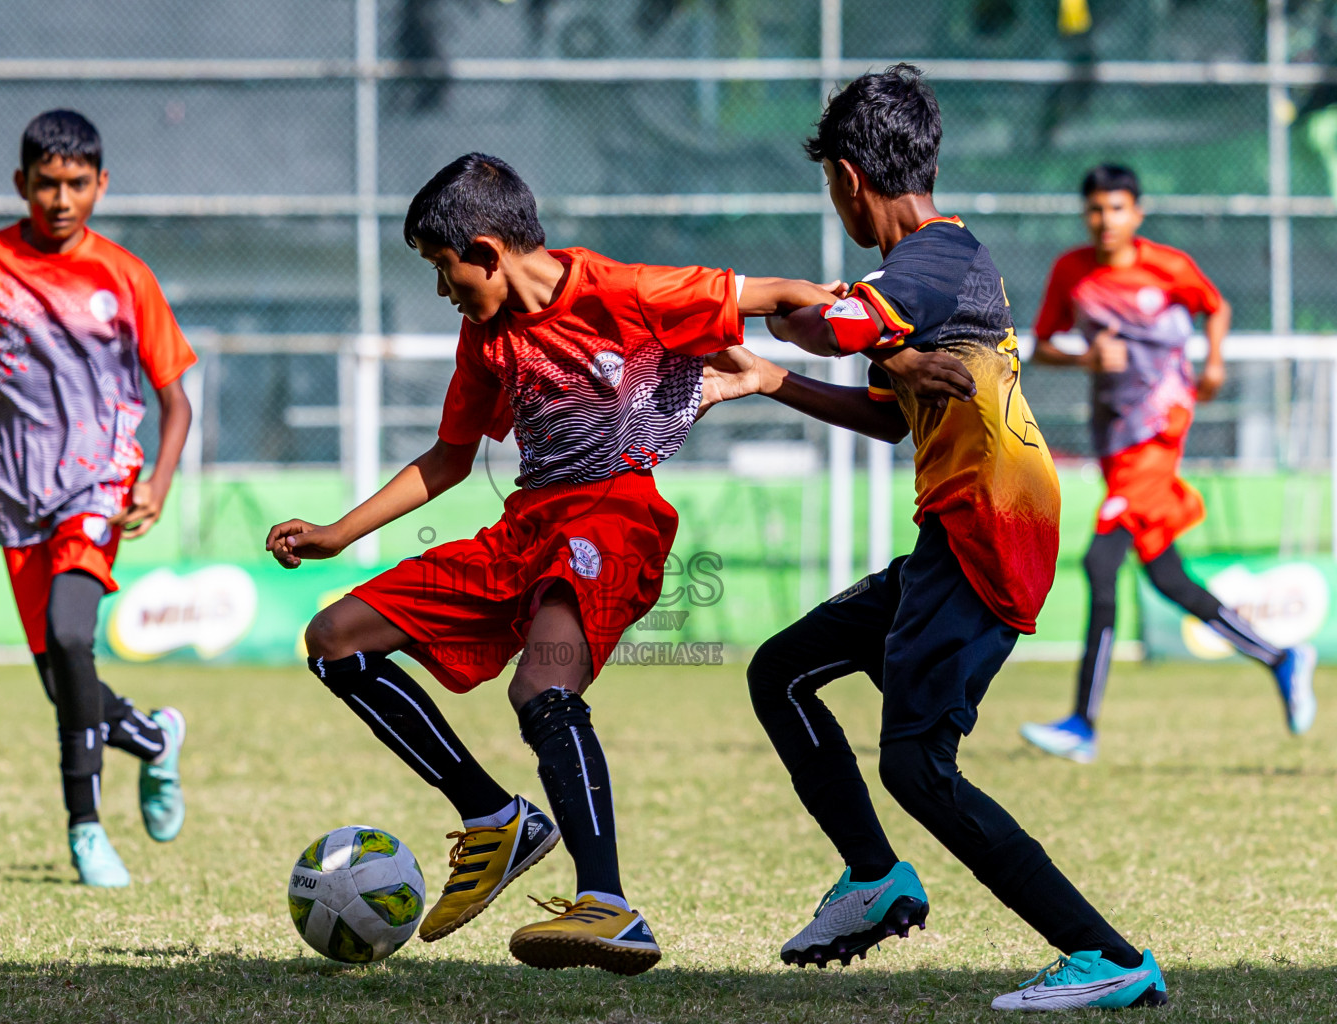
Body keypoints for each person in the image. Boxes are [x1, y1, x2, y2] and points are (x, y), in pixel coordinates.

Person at [266, 151, 966, 975]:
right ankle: (494, 818)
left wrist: (899, 357)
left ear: (487, 252)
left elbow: (788, 296)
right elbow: (450, 459)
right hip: (524, 526)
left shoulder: (623, 291)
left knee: (543, 684)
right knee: (334, 637)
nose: (443, 289)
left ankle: (609, 904)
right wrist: (340, 535)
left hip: (615, 515)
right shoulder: (485, 336)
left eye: (442, 269)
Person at [701, 66, 1168, 1010]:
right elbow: (885, 412)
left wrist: (731, 307)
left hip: (986, 540)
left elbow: (837, 325)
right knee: (779, 672)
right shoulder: (933, 275)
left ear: (846, 176)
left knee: (916, 765)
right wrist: (768, 382)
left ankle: (1105, 955)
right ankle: (875, 879)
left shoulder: (932, 261)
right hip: (952, 540)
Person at [0, 110, 192, 888]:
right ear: (21, 183)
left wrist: (155, 482)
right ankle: (156, 740)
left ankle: (86, 830)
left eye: (77, 184)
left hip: (100, 481)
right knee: (61, 678)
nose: (62, 199)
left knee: (69, 633)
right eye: (47, 184)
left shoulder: (124, 277)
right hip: (19, 493)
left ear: (101, 185)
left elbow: (176, 401)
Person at [1019, 164, 1316, 764]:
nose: (1107, 221)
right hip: (1115, 438)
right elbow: (1041, 346)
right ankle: (1282, 658)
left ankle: (1082, 723)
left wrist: (1214, 364)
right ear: (1086, 214)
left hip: (1160, 432)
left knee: (1102, 560)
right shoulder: (1071, 272)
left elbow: (1216, 307)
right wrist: (1084, 359)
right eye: (1097, 210)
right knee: (1167, 578)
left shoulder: (1170, 267)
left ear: (1138, 212)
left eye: (1118, 208)